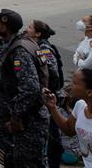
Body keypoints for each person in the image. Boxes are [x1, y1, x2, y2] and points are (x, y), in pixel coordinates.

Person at [0, 9, 48, 168]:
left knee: (27, 162)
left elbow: (30, 88)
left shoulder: (18, 50)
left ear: (4, 27)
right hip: (27, 118)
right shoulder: (23, 43)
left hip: (27, 123)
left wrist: (15, 117)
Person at [43, 68, 92, 168]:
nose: (70, 86)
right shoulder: (80, 106)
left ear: (90, 92)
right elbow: (69, 129)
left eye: (74, 83)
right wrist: (53, 107)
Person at [29, 20, 66, 168]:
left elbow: (52, 73)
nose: (27, 29)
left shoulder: (43, 49)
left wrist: (46, 89)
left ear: (38, 33)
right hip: (49, 95)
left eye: (30, 27)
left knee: (51, 133)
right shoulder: (39, 46)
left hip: (50, 97)